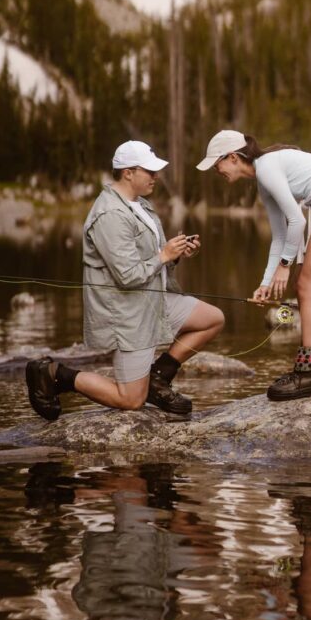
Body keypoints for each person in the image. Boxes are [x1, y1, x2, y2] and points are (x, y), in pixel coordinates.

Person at [26, 140, 224, 419]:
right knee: (131, 400)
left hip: (152, 302)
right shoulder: (110, 215)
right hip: (128, 316)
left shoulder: (140, 205)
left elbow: (152, 257)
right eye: (149, 171)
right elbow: (128, 275)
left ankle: (158, 378)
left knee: (212, 318)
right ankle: (54, 374)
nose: (156, 176)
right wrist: (165, 255)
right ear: (128, 173)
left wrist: (176, 253)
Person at [197, 130, 311, 401]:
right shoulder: (263, 179)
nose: (215, 170)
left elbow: (297, 222)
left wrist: (284, 265)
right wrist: (265, 283)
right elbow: (280, 236)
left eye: (216, 163)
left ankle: (310, 373)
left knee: (307, 286)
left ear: (233, 157)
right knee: (306, 286)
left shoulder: (267, 168)